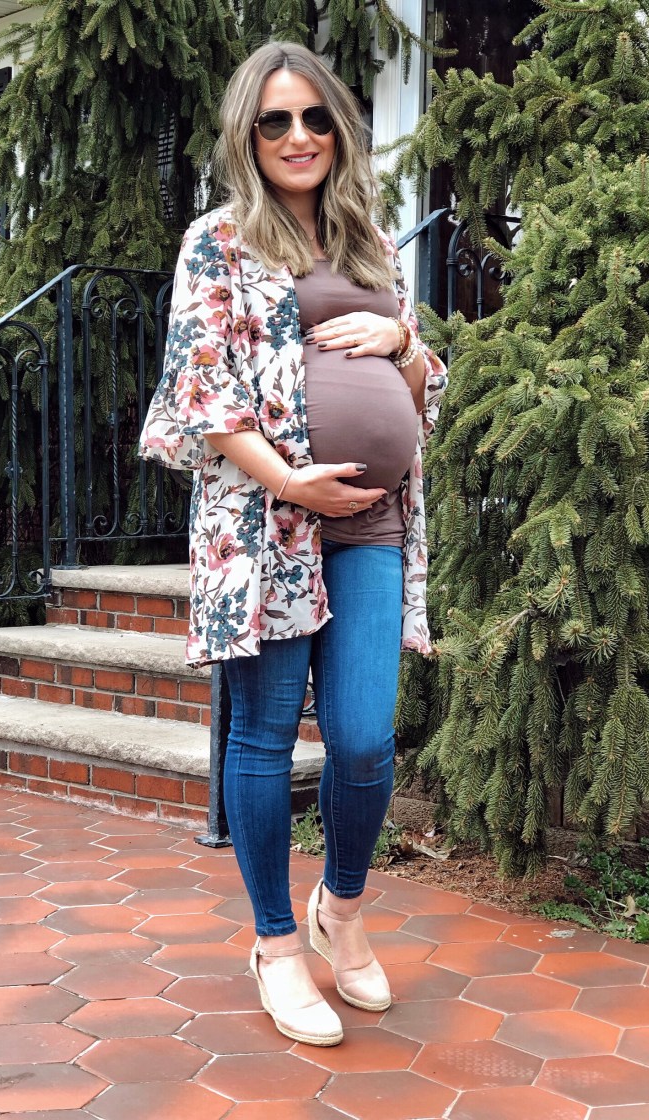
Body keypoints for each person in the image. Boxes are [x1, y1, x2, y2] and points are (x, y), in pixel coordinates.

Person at [140, 41, 447, 1047]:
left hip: (372, 521)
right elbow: (202, 392)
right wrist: (287, 479)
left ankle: (341, 911)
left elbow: (416, 393)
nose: (298, 136)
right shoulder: (219, 241)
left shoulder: (370, 241)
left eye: (315, 116)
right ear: (249, 134)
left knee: (362, 738)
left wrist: (404, 344)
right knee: (266, 737)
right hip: (264, 524)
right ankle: (276, 943)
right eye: (276, 120)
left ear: (339, 129)